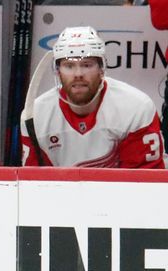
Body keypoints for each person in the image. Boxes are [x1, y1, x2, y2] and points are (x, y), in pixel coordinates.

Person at [20, 26, 166, 168]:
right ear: (58, 72)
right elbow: (36, 184)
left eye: (87, 65)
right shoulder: (36, 115)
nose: (78, 74)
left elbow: (141, 185)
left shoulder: (136, 107)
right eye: (69, 66)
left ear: (102, 69)